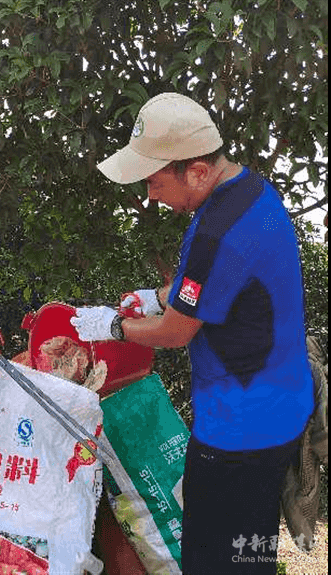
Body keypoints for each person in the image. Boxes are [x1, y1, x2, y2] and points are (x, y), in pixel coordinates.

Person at [70, 92, 315, 574]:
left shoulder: (217, 232)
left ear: (197, 171)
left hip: (238, 428)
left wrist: (113, 326)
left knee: (215, 559)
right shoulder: (250, 192)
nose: (150, 196)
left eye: (155, 181)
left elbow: (176, 332)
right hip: (279, 406)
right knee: (250, 548)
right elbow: (220, 284)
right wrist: (158, 295)